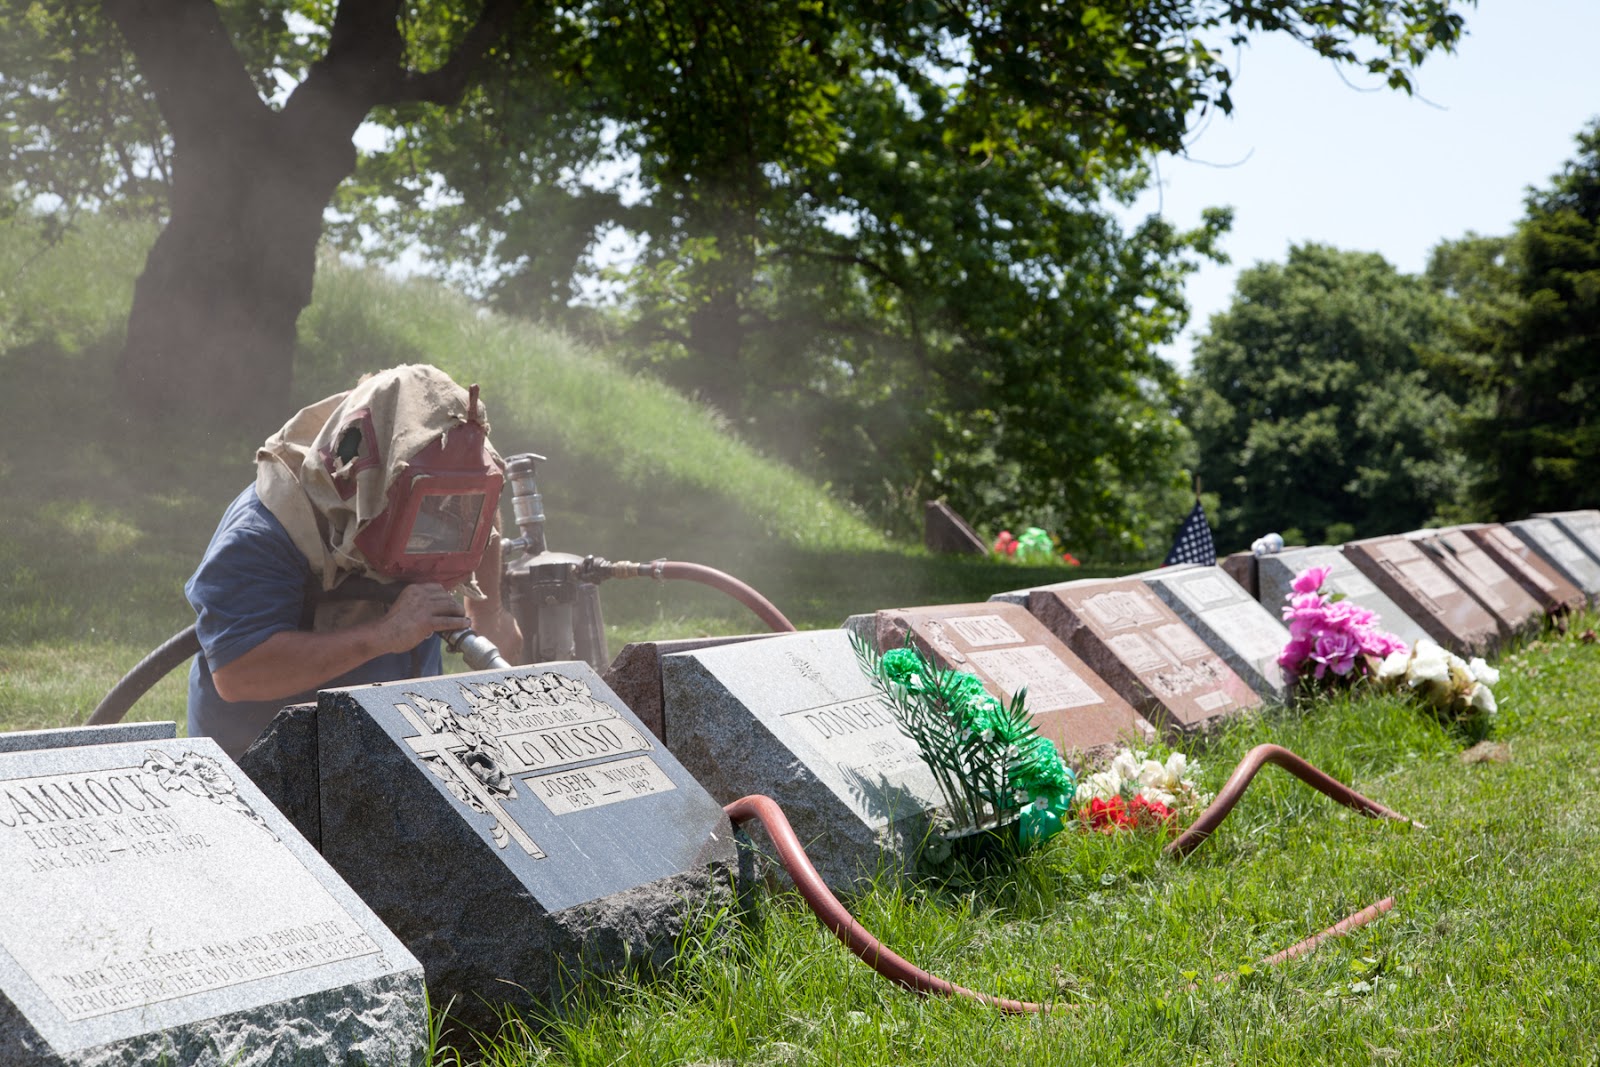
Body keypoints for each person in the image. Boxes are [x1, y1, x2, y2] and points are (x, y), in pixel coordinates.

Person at [186, 364, 522, 759]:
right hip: (264, 762)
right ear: (366, 481)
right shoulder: (266, 531)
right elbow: (239, 672)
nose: (446, 517)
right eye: (435, 500)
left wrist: (487, 610)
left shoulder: (437, 478)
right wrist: (384, 635)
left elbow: (481, 504)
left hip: (391, 743)